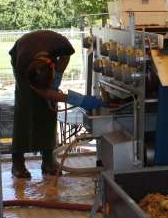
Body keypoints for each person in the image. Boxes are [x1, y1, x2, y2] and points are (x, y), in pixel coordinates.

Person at [9, 30, 102, 179]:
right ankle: (17, 162)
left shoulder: (61, 44)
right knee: (25, 108)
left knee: (48, 108)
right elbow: (45, 93)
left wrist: (57, 77)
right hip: (22, 56)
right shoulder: (23, 64)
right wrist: (78, 100)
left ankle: (48, 159)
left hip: (45, 55)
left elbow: (66, 55)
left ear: (52, 64)